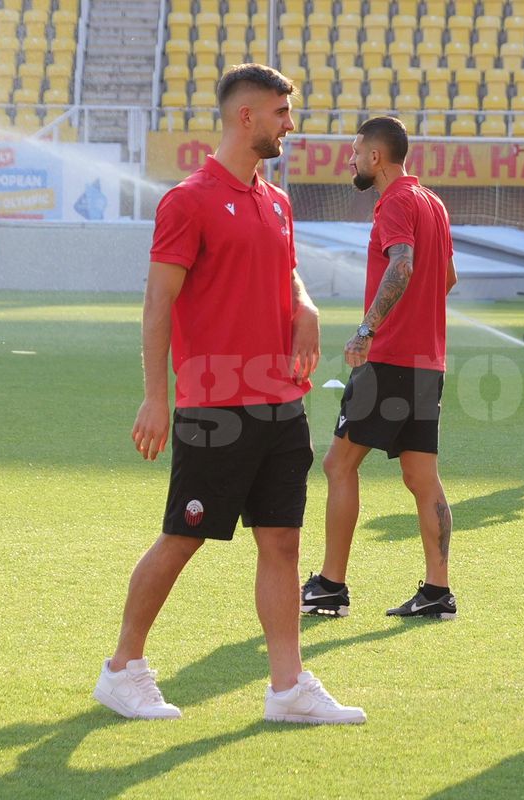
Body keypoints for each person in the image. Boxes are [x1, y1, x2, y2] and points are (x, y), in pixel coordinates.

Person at [92, 64, 364, 725]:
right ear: (247, 116)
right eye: (281, 112)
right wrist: (156, 396)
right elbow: (159, 303)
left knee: (282, 544)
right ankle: (123, 668)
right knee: (183, 538)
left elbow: (285, 274)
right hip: (213, 404)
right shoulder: (188, 200)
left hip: (282, 403)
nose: (290, 124)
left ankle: (287, 687)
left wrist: (305, 308)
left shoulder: (275, 199)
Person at [300, 116, 458, 621]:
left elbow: (402, 264)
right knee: (421, 476)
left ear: (376, 157)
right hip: (427, 362)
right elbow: (447, 277)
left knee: (338, 465)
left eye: (355, 151)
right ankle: (438, 592)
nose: (351, 159)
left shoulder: (394, 202)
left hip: (388, 359)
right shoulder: (433, 203)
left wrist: (368, 328)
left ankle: (330, 586)